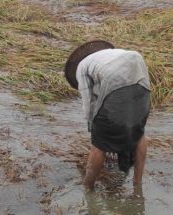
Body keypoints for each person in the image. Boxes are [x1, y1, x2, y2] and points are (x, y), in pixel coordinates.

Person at [64, 40, 151, 189]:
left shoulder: (82, 68)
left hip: (118, 80)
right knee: (139, 130)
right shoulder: (108, 56)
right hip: (140, 70)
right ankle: (137, 183)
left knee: (99, 143)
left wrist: (94, 127)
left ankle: (87, 187)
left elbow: (88, 102)